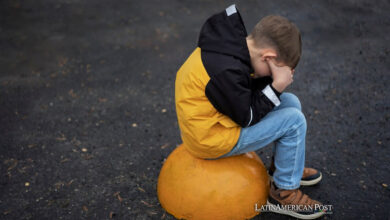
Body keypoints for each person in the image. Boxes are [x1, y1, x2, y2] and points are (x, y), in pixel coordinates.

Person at [175, 4, 324, 219]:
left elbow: (244, 91)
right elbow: (247, 117)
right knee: (294, 121)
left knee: (290, 102)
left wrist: (274, 84)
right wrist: (276, 85)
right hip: (209, 138)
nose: (274, 75)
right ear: (268, 57)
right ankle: (283, 193)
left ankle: (284, 170)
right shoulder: (226, 71)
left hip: (220, 117)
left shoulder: (234, 47)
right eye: (275, 68)